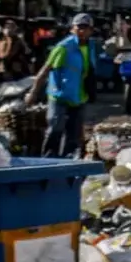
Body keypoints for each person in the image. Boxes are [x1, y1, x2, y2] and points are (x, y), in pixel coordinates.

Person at [29, 13, 97, 158]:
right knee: (55, 130)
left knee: (74, 133)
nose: (82, 31)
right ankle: (47, 161)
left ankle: (67, 164)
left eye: (86, 28)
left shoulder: (91, 46)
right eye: (79, 27)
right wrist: (33, 93)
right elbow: (45, 70)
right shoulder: (63, 47)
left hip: (79, 96)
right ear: (73, 29)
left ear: (91, 30)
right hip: (59, 95)